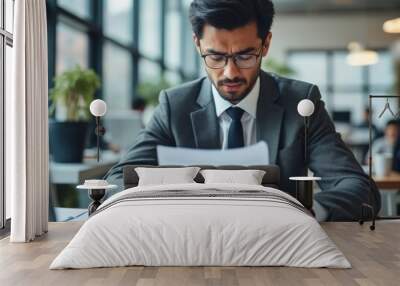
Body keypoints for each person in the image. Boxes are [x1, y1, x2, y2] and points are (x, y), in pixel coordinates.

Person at [105, 0, 380, 221]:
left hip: (278, 247)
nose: (230, 72)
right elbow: (117, 181)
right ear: (197, 44)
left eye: (245, 56)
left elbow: (360, 190)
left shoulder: (301, 104)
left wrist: (301, 211)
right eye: (216, 57)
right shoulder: (175, 105)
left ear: (266, 44)